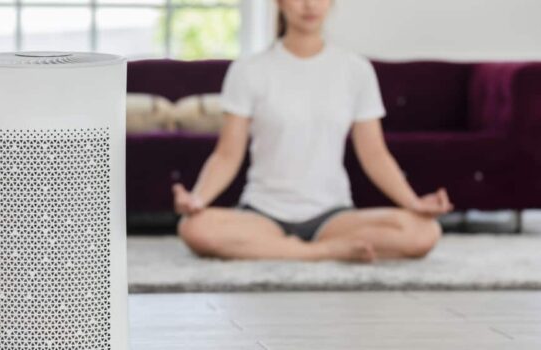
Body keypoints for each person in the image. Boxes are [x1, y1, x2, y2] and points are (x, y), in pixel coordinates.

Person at [172, 0, 454, 263]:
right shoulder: (248, 70)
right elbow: (226, 154)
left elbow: (375, 154)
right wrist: (198, 198)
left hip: (333, 217)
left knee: (424, 232)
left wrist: (413, 203)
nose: (309, 5)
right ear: (279, 2)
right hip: (263, 214)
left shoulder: (356, 70)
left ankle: (289, 251)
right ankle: (323, 252)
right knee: (195, 228)